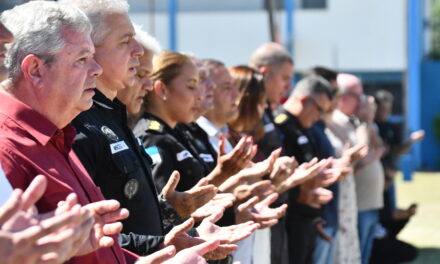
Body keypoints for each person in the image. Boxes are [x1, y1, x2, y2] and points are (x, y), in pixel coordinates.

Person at [0, 2, 134, 263]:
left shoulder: (57, 134)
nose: (97, 69)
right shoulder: (8, 149)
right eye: (82, 59)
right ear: (35, 70)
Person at [274, 75, 335, 264]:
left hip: (307, 219)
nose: (319, 116)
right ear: (303, 100)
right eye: (319, 109)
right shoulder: (280, 126)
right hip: (289, 219)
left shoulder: (305, 127)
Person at [325, 73, 363, 264]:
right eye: (357, 96)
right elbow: (360, 154)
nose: (360, 102)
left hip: (346, 198)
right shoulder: (330, 121)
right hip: (333, 202)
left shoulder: (349, 120)